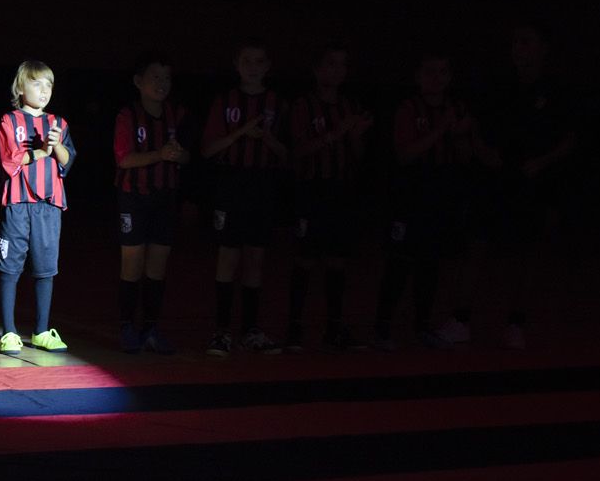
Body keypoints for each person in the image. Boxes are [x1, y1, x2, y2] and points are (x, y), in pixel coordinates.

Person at [452, 21, 576, 349]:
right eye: (515, 42)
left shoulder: (556, 91)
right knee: (477, 247)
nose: (518, 48)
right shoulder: (497, 86)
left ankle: (516, 324)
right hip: (492, 180)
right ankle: (461, 320)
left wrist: (541, 163)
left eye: (526, 41)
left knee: (527, 254)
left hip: (531, 182)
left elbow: (569, 139)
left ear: (543, 48)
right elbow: (474, 124)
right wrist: (482, 151)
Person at [371, 50, 482, 350]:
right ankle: (382, 326)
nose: (436, 78)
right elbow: (405, 154)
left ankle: (422, 325)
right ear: (418, 76)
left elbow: (467, 157)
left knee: (430, 262)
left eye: (443, 71)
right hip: (410, 193)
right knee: (400, 260)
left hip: (442, 192)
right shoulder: (408, 108)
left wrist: (459, 135)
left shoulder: (456, 110)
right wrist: (442, 129)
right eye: (430, 71)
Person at [201, 40, 289, 357]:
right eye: (247, 60)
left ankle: (251, 330)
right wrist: (242, 132)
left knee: (255, 257)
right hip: (231, 182)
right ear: (237, 65)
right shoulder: (225, 101)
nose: (253, 66)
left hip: (262, 184)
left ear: (268, 66)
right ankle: (222, 331)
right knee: (228, 256)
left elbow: (287, 154)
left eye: (260, 60)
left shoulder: (277, 103)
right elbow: (208, 150)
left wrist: (265, 137)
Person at [285, 44, 374, 352]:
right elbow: (298, 150)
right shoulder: (302, 106)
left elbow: (359, 155)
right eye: (330, 64)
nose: (337, 70)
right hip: (312, 190)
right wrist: (338, 133)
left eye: (342, 65)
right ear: (317, 69)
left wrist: (354, 136)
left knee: (338, 260)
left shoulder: (350, 106)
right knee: (306, 258)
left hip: (341, 189)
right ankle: (294, 328)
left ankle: (334, 328)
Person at [0, 61, 74, 357]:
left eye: (48, 85)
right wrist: (40, 152)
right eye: (37, 83)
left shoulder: (59, 124)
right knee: (10, 267)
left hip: (48, 207)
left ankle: (41, 330)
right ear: (20, 88)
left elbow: (67, 159)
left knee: (45, 269)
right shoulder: (9, 120)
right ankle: (8, 332)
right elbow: (9, 159)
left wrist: (56, 146)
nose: (44, 91)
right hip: (18, 204)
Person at [113, 51, 189, 354]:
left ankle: (151, 329)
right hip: (133, 198)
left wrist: (179, 155)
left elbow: (188, 156)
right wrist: (160, 155)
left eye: (167, 78)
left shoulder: (177, 115)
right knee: (132, 263)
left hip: (165, 198)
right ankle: (127, 327)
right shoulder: (127, 116)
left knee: (157, 266)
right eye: (155, 77)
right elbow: (123, 159)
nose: (162, 83)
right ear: (138, 81)